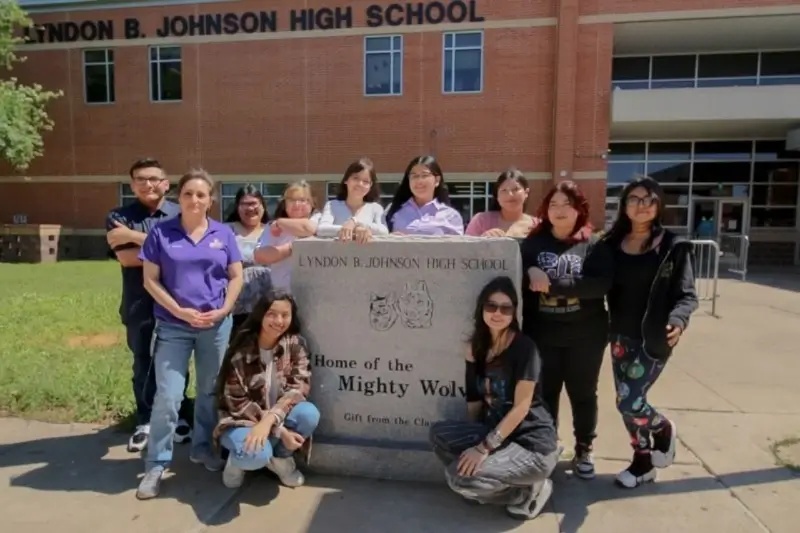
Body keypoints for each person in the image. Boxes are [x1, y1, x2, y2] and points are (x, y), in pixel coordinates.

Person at [135, 169, 244, 500]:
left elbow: (236, 276)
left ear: (211, 199)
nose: (195, 200)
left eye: (201, 194)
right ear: (178, 198)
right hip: (173, 325)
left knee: (210, 391)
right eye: (188, 194)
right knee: (169, 396)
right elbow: (150, 280)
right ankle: (156, 463)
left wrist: (225, 310)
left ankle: (202, 449)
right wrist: (180, 311)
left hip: (215, 326)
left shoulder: (223, 234)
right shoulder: (161, 233)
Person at [429, 276, 559, 521]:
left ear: (513, 313)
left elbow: (521, 408)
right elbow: (474, 398)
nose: (497, 313)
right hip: (499, 434)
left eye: (505, 308)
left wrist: (483, 448)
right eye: (491, 306)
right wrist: (473, 437)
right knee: (438, 434)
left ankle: (528, 491)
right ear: (481, 309)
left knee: (459, 479)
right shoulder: (476, 348)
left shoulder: (525, 349)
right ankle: (485, 483)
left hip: (531, 444)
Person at [602, 176, 698, 489]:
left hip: (653, 337)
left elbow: (687, 294)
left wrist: (679, 320)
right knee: (627, 399)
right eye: (635, 199)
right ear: (625, 205)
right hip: (619, 336)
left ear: (658, 205)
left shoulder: (673, 247)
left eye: (649, 199)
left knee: (630, 402)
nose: (642, 205)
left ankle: (664, 429)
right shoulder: (610, 244)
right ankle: (642, 462)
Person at [519, 181, 613, 480]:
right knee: (545, 395)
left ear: (579, 209)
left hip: (585, 336)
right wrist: (529, 271)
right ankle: (547, 446)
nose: (559, 211)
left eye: (566, 204)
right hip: (543, 334)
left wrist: (552, 285)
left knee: (583, 394)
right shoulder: (533, 243)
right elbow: (518, 282)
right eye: (553, 205)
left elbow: (600, 285)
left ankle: (584, 447)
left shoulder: (593, 243)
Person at [105, 158, 193, 453]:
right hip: (138, 302)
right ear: (132, 185)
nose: (148, 184)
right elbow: (127, 259)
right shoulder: (118, 215)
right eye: (140, 179)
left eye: (154, 178)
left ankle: (179, 416)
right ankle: (145, 420)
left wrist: (133, 237)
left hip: (178, 301)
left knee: (177, 361)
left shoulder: (182, 212)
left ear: (166, 184)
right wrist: (165, 245)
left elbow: (185, 250)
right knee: (143, 360)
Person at [213, 291, 318, 489]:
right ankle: (237, 461)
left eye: (285, 315)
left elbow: (298, 390)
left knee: (308, 414)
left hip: (273, 418)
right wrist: (280, 431)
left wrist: (271, 422)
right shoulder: (241, 352)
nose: (279, 320)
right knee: (256, 455)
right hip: (240, 422)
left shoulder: (295, 345)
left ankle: (280, 459)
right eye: (272, 313)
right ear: (260, 315)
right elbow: (238, 405)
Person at [254, 181, 321, 293]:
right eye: (291, 200)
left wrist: (280, 222)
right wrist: (291, 248)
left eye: (302, 200)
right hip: (282, 294)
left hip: (314, 294)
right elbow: (260, 256)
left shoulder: (320, 219)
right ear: (284, 203)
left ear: (312, 203)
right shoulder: (272, 227)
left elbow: (309, 228)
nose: (296, 204)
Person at [225, 185, 273, 338]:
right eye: (245, 204)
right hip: (236, 303)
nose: (250, 208)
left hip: (269, 301)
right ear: (237, 207)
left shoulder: (274, 230)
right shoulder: (225, 231)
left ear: (263, 206)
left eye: (254, 203)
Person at [384, 155, 464, 235]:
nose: (419, 181)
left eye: (424, 175)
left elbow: (458, 247)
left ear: (437, 180)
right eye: (414, 176)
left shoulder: (451, 216)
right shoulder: (393, 210)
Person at [316, 157, 388, 242]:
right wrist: (350, 229)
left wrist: (356, 222)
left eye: (366, 181)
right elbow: (321, 229)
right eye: (356, 178)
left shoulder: (376, 208)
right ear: (346, 180)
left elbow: (384, 231)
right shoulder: (332, 205)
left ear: (370, 186)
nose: (360, 184)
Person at [466, 169, 537, 238]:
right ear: (497, 196)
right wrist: (482, 240)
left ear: (526, 192)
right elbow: (464, 248)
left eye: (515, 189)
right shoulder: (481, 221)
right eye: (504, 190)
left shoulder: (538, 225)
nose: (510, 195)